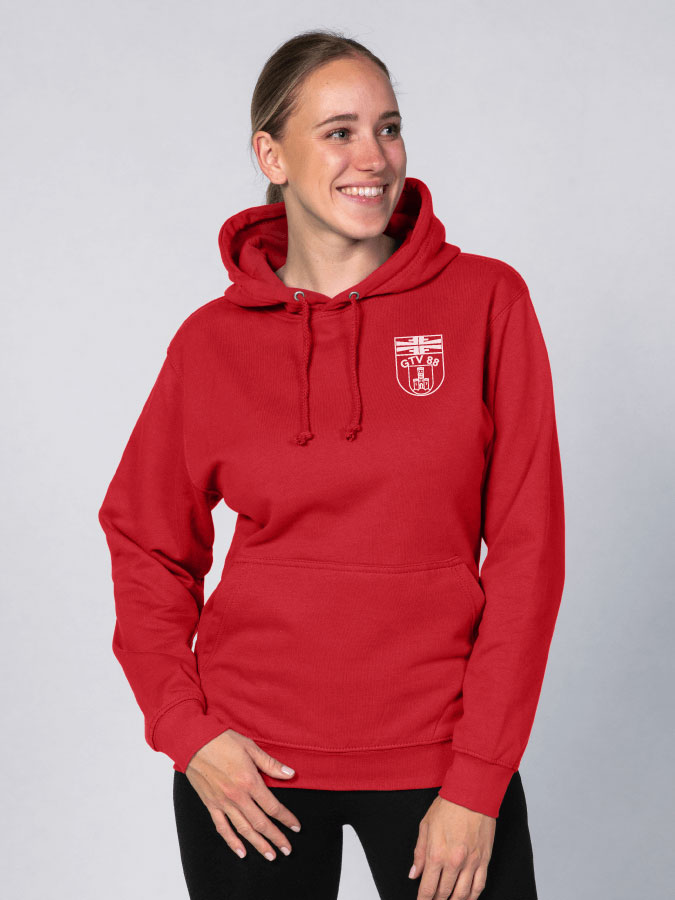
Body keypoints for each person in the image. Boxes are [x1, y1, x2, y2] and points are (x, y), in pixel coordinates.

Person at [98, 29, 565, 900]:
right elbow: (145, 542)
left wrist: (479, 777)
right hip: (248, 770)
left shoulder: (485, 302)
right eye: (339, 131)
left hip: (441, 760)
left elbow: (528, 553)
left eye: (387, 128)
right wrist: (187, 731)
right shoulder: (210, 343)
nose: (373, 158)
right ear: (271, 155)